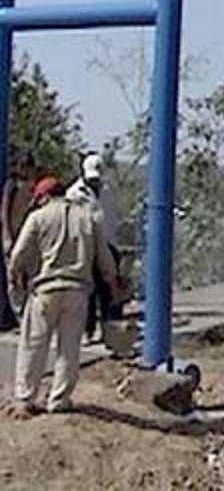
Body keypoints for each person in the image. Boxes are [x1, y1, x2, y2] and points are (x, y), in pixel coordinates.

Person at [8, 177, 120, 417]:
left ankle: (25, 400)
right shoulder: (88, 218)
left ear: (44, 197)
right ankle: (59, 400)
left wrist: (15, 277)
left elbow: (18, 255)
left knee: (33, 345)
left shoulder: (38, 217)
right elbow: (105, 260)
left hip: (45, 290)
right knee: (68, 349)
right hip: (78, 291)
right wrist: (113, 285)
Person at [66, 153, 121, 342]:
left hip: (108, 244)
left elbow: (111, 217)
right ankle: (87, 330)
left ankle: (108, 330)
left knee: (108, 291)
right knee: (87, 291)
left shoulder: (108, 191)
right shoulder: (74, 193)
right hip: (86, 246)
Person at [0, 153, 37, 330]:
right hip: (13, 237)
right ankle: (18, 313)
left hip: (28, 238)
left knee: (28, 276)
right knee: (13, 277)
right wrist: (7, 235)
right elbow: (4, 211)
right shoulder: (12, 185)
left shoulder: (32, 186)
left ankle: (27, 314)